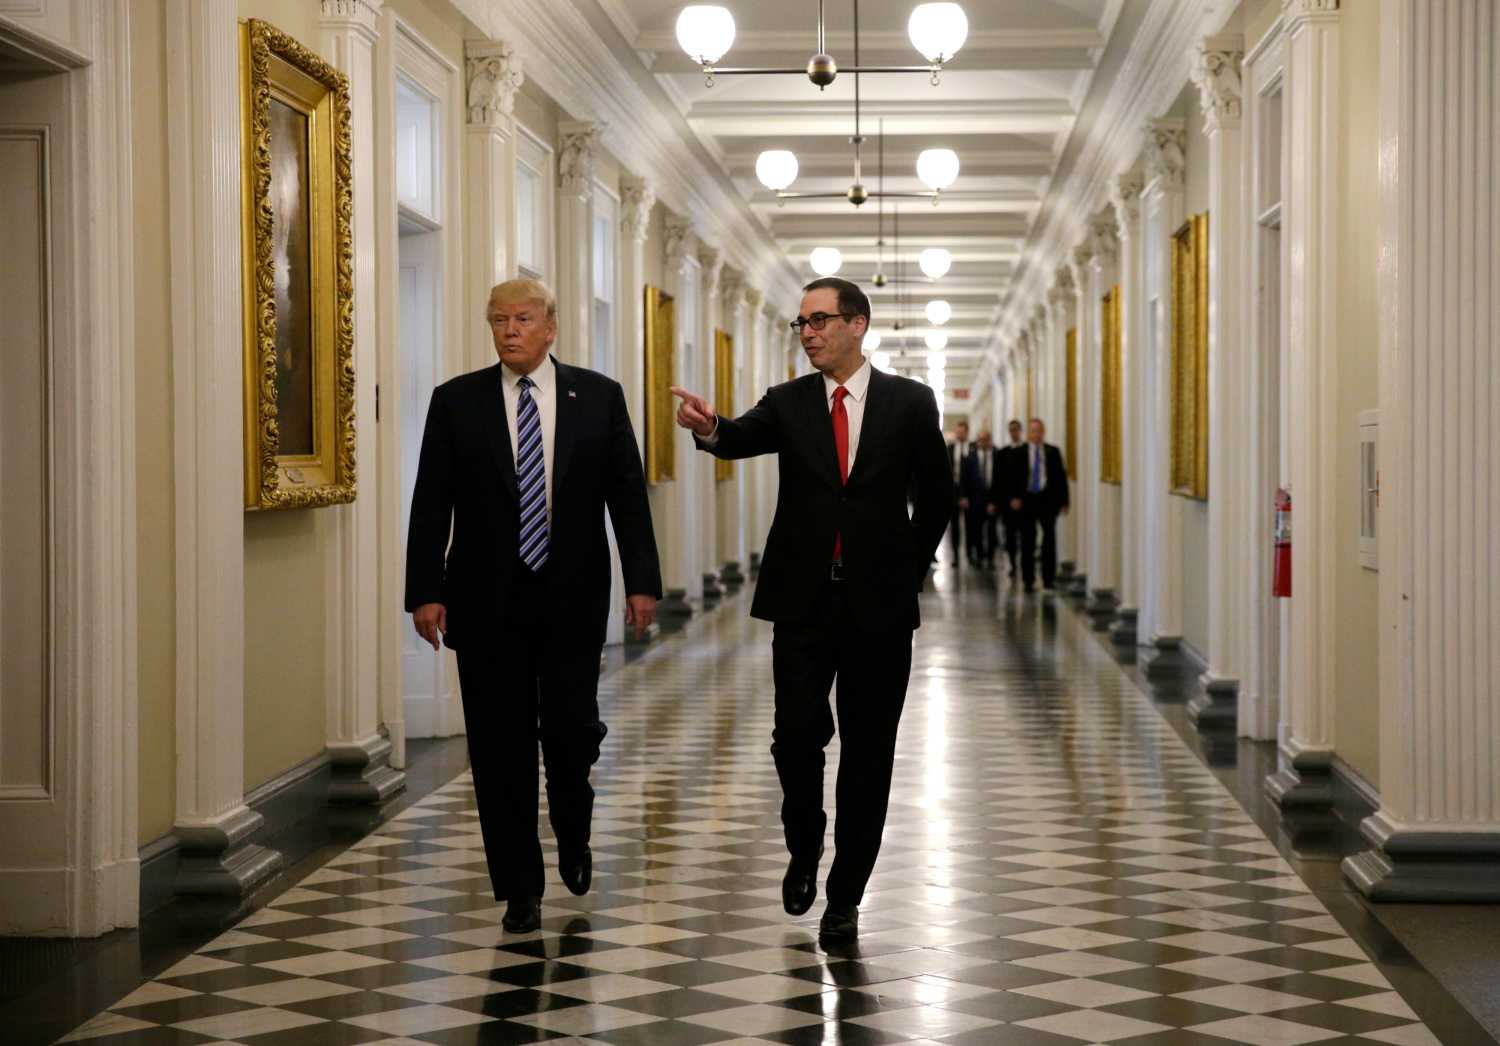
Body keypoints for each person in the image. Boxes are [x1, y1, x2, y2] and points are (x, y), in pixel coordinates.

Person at [670, 277, 951, 942]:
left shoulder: (911, 402)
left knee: (869, 751)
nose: (808, 333)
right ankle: (804, 843)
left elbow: (936, 496)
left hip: (879, 608)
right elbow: (740, 436)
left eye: (820, 320)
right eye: (801, 323)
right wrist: (710, 428)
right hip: (803, 600)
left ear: (858, 324)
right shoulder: (790, 401)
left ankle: (846, 894)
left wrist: (905, 572)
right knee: (795, 735)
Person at [404, 279, 662, 935]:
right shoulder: (456, 401)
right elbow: (431, 499)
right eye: (499, 320)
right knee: (499, 747)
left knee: (572, 734)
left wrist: (642, 583)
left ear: (551, 327)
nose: (510, 330)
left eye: (522, 319)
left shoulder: (598, 397)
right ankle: (520, 886)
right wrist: (425, 590)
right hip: (484, 599)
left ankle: (573, 829)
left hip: (572, 597)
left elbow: (627, 497)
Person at [1007, 418, 1069, 592]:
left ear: (1043, 432)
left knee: (1049, 539)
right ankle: (1028, 579)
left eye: (1039, 431)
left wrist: (1064, 501)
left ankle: (1048, 578)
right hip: (1027, 500)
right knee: (1028, 540)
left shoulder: (1052, 451)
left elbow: (1061, 478)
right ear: (1029, 433)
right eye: (1033, 431)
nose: (1036, 434)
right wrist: (1013, 497)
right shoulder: (1019, 452)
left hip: (1047, 500)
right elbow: (1012, 478)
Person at [989, 419, 1026, 578]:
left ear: (1020, 431)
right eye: (1011, 430)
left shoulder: (1027, 451)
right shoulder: (1002, 453)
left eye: (1016, 429)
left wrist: (1020, 498)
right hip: (1007, 502)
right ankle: (1013, 564)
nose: (1014, 432)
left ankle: (1024, 564)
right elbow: (997, 480)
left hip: (1024, 502)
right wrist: (996, 501)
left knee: (1025, 536)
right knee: (1009, 535)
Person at [963, 430, 999, 568]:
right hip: (975, 499)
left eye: (986, 439)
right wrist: (964, 497)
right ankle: (978, 555)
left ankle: (990, 558)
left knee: (991, 531)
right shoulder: (970, 457)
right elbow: (965, 479)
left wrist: (995, 501)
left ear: (990, 440)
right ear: (977, 441)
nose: (983, 442)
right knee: (976, 529)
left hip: (992, 499)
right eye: (981, 440)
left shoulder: (997, 455)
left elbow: (1000, 479)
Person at [946, 421, 972, 566]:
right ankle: (955, 555)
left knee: (970, 525)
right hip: (954, 491)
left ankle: (970, 554)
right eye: (958, 432)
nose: (959, 434)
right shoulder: (950, 448)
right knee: (954, 526)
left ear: (967, 432)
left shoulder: (972, 448)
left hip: (969, 492)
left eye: (962, 432)